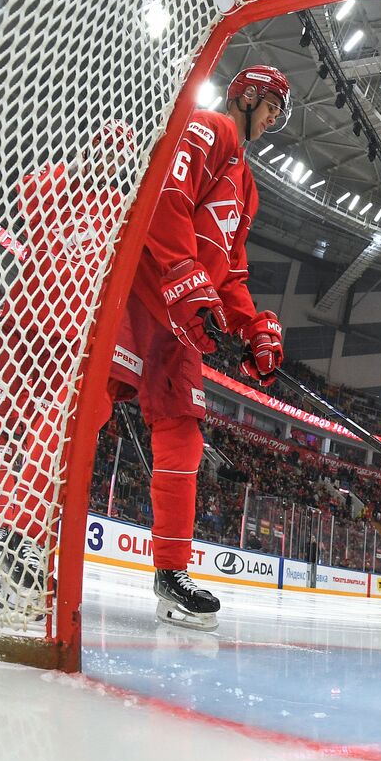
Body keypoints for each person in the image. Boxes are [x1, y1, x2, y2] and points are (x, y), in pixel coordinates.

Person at [106, 66, 290, 631]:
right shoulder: (210, 128)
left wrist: (252, 327)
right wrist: (186, 277)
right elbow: (166, 194)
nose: (273, 120)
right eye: (271, 108)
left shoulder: (247, 186)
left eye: (280, 115)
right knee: (93, 404)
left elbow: (230, 271)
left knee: (183, 431)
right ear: (247, 95)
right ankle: (25, 536)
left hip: (181, 318)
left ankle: (170, 574)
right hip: (141, 287)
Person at [0, 122, 137, 619]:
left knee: (57, 439)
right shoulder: (58, 188)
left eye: (116, 154)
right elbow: (30, 188)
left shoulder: (125, 210)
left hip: (71, 343)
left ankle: (21, 546)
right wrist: (87, 165)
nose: (108, 160)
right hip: (22, 327)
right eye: (102, 150)